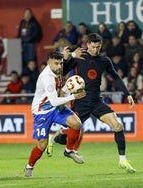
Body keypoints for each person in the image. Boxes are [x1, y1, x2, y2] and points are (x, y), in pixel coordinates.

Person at [51, 33, 136, 173]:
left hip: (97, 101)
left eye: (98, 47)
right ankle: (55, 140)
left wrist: (127, 94)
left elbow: (115, 77)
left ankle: (123, 160)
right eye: (93, 46)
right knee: (72, 134)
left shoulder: (104, 60)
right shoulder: (79, 55)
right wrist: (66, 58)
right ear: (88, 44)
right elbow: (63, 71)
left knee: (118, 126)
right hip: (80, 101)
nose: (95, 49)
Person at [24, 51, 86, 177]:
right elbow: (54, 101)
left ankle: (69, 151)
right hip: (42, 111)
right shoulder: (47, 78)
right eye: (56, 63)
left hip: (56, 108)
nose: (59, 66)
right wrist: (73, 96)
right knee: (42, 145)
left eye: (60, 63)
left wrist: (73, 54)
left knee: (77, 124)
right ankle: (29, 166)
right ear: (49, 63)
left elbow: (66, 59)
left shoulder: (58, 69)